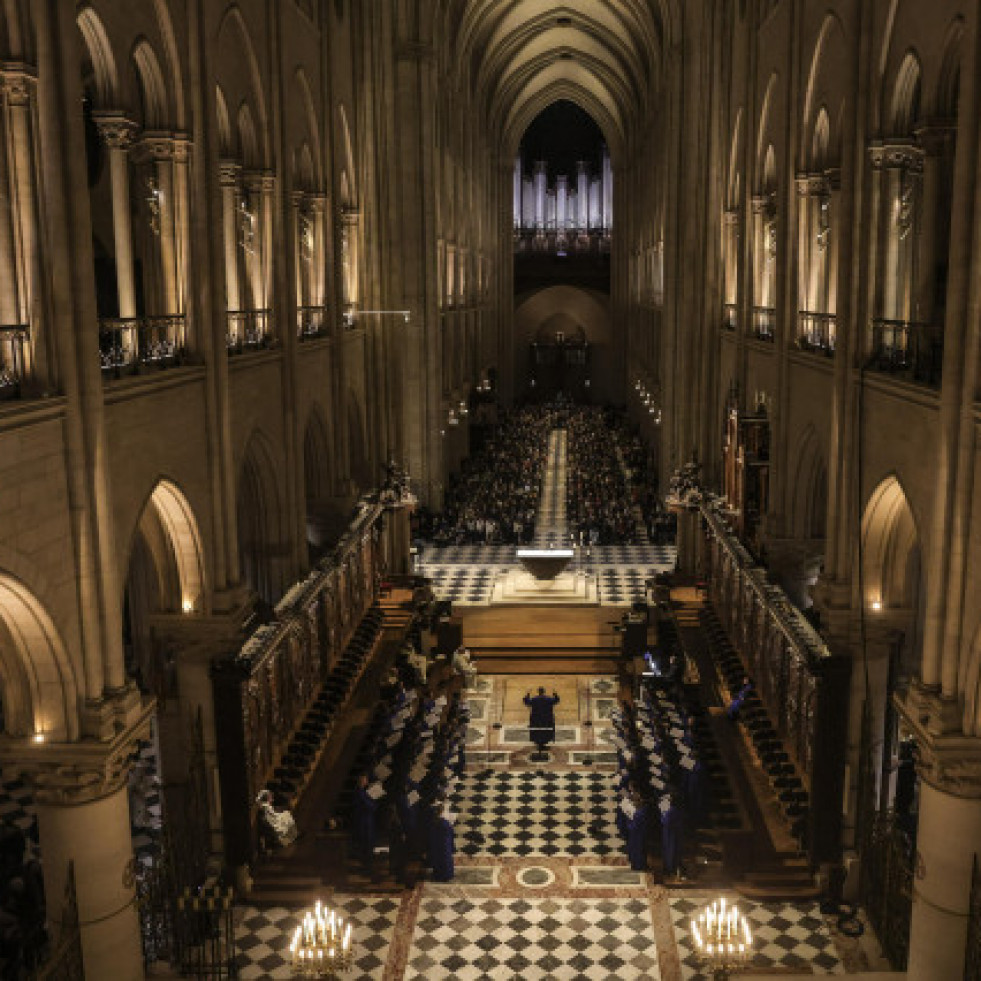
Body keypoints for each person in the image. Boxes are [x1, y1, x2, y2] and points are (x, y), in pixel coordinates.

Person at [351, 774, 379, 871]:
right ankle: (366, 867)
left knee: (368, 845)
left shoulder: (363, 792)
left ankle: (367, 865)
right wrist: (373, 805)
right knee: (366, 845)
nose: (366, 781)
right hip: (364, 821)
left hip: (367, 820)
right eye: (364, 780)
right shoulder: (360, 792)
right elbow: (369, 806)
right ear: (361, 781)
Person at [524, 686, 560, 752]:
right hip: (547, 718)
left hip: (536, 718)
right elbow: (556, 700)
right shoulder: (548, 699)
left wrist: (527, 694)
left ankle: (539, 743)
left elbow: (527, 702)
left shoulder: (534, 699)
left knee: (537, 731)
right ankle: (543, 744)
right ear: (544, 692)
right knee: (546, 731)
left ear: (538, 692)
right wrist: (555, 694)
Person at [428, 799, 456, 882]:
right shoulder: (445, 823)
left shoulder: (433, 823)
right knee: (445, 858)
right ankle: (447, 875)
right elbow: (451, 834)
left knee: (438, 859)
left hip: (436, 845)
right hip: (445, 845)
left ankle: (438, 874)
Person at [626, 793, 649, 871]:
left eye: (634, 802)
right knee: (639, 850)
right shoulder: (642, 810)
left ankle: (638, 865)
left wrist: (629, 824)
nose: (633, 804)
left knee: (638, 850)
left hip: (638, 835)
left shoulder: (639, 813)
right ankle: (638, 864)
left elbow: (634, 826)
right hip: (639, 834)